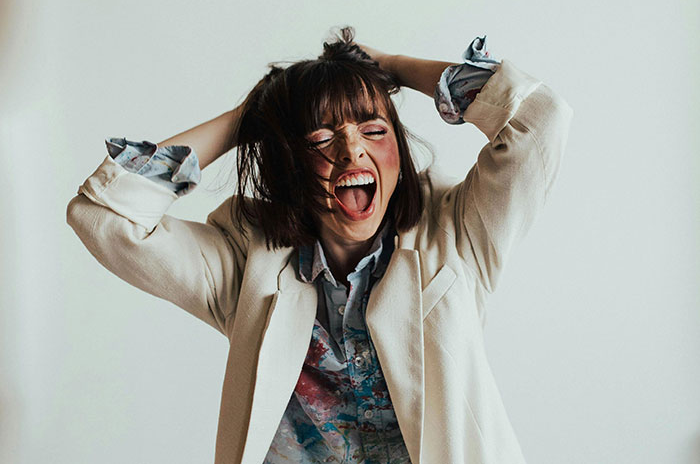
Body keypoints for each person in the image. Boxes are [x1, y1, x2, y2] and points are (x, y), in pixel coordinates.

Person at [67, 27, 573, 464]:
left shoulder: (457, 234)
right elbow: (104, 215)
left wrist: (391, 68)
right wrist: (251, 118)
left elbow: (540, 120)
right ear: (288, 162)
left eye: (375, 130)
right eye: (318, 138)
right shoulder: (247, 265)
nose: (352, 148)